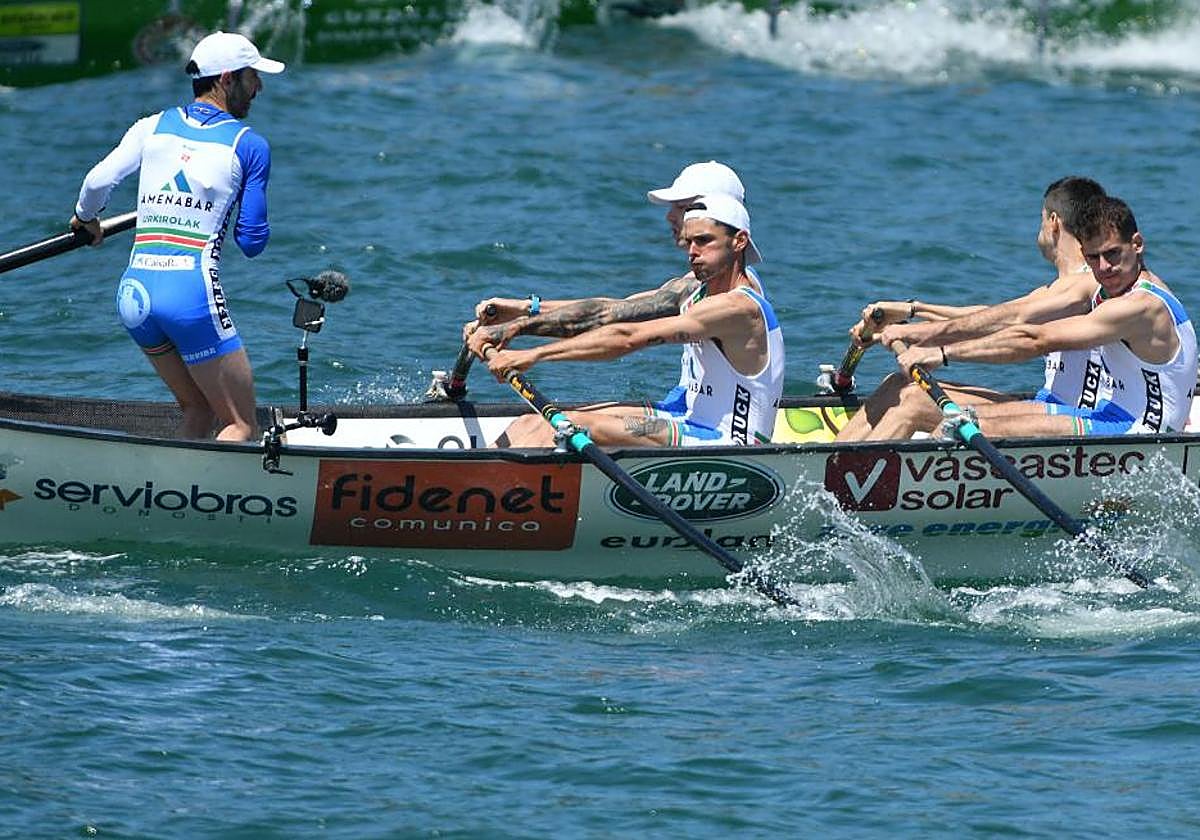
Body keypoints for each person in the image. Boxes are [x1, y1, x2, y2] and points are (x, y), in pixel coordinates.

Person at [70, 31, 284, 441]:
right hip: (189, 296)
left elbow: (97, 181)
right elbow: (252, 242)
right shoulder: (250, 146)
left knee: (198, 408)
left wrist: (86, 218)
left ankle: (166, 481)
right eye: (252, 76)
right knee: (240, 424)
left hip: (135, 295)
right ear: (227, 79)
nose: (259, 86)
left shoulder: (150, 126)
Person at [470, 194, 784, 447]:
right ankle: (475, 477)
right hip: (691, 419)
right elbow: (611, 310)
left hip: (730, 443)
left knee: (573, 425)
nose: (692, 252)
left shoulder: (737, 308)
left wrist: (531, 356)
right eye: (690, 242)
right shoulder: (695, 289)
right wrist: (523, 315)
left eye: (703, 241)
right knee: (536, 420)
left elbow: (627, 337)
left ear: (739, 241)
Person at [879, 195, 1196, 438]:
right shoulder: (1110, 287)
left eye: (1112, 253)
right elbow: (1011, 316)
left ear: (1137, 244)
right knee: (958, 419)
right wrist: (916, 318)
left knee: (962, 429)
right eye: (1093, 258)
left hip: (1140, 433)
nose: (1103, 268)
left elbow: (1035, 339)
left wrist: (942, 354)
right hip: (1108, 414)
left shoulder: (1140, 306)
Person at [837, 176, 1108, 441]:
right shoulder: (1054, 291)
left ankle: (861, 469)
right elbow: (988, 316)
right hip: (1045, 402)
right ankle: (834, 461)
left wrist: (910, 334)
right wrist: (912, 311)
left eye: (1041, 219)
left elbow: (1010, 320)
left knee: (914, 402)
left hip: (1074, 416)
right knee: (897, 384)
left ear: (1053, 222)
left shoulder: (1087, 284)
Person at [464, 160, 756, 350]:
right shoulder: (693, 284)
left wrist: (515, 332)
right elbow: (619, 308)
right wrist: (526, 308)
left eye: (681, 207)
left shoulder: (735, 296)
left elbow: (609, 320)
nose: (669, 216)